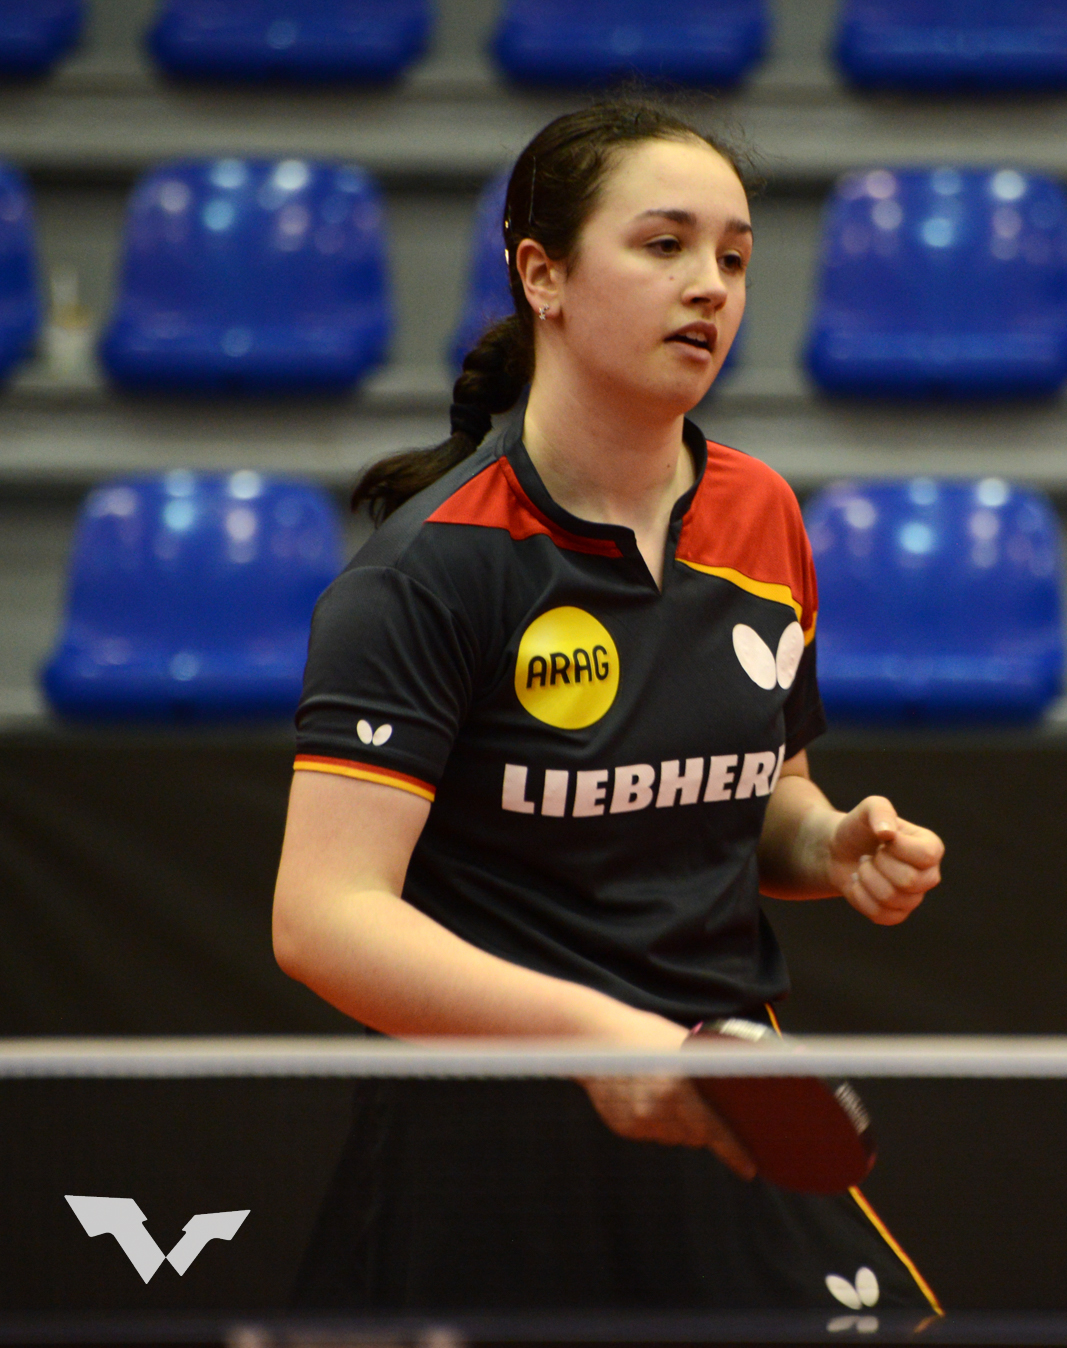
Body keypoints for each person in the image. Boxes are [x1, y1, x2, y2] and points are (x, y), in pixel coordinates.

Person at [271, 97, 945, 1314]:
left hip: (718, 1104)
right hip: (489, 1144)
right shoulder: (433, 572)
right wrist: (593, 1034)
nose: (710, 287)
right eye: (664, 245)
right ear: (544, 276)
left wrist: (829, 841)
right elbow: (324, 918)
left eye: (734, 257)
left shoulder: (762, 517)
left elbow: (761, 795)